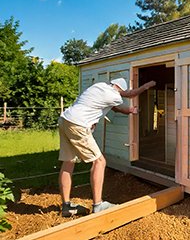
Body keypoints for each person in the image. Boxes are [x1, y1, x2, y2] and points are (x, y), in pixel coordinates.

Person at [58, 77, 156, 217]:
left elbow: (113, 108)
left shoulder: (99, 87)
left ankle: (66, 206)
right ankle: (98, 205)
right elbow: (130, 94)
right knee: (100, 162)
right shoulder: (114, 95)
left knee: (68, 162)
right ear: (119, 88)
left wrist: (127, 111)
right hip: (78, 124)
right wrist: (146, 86)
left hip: (65, 119)